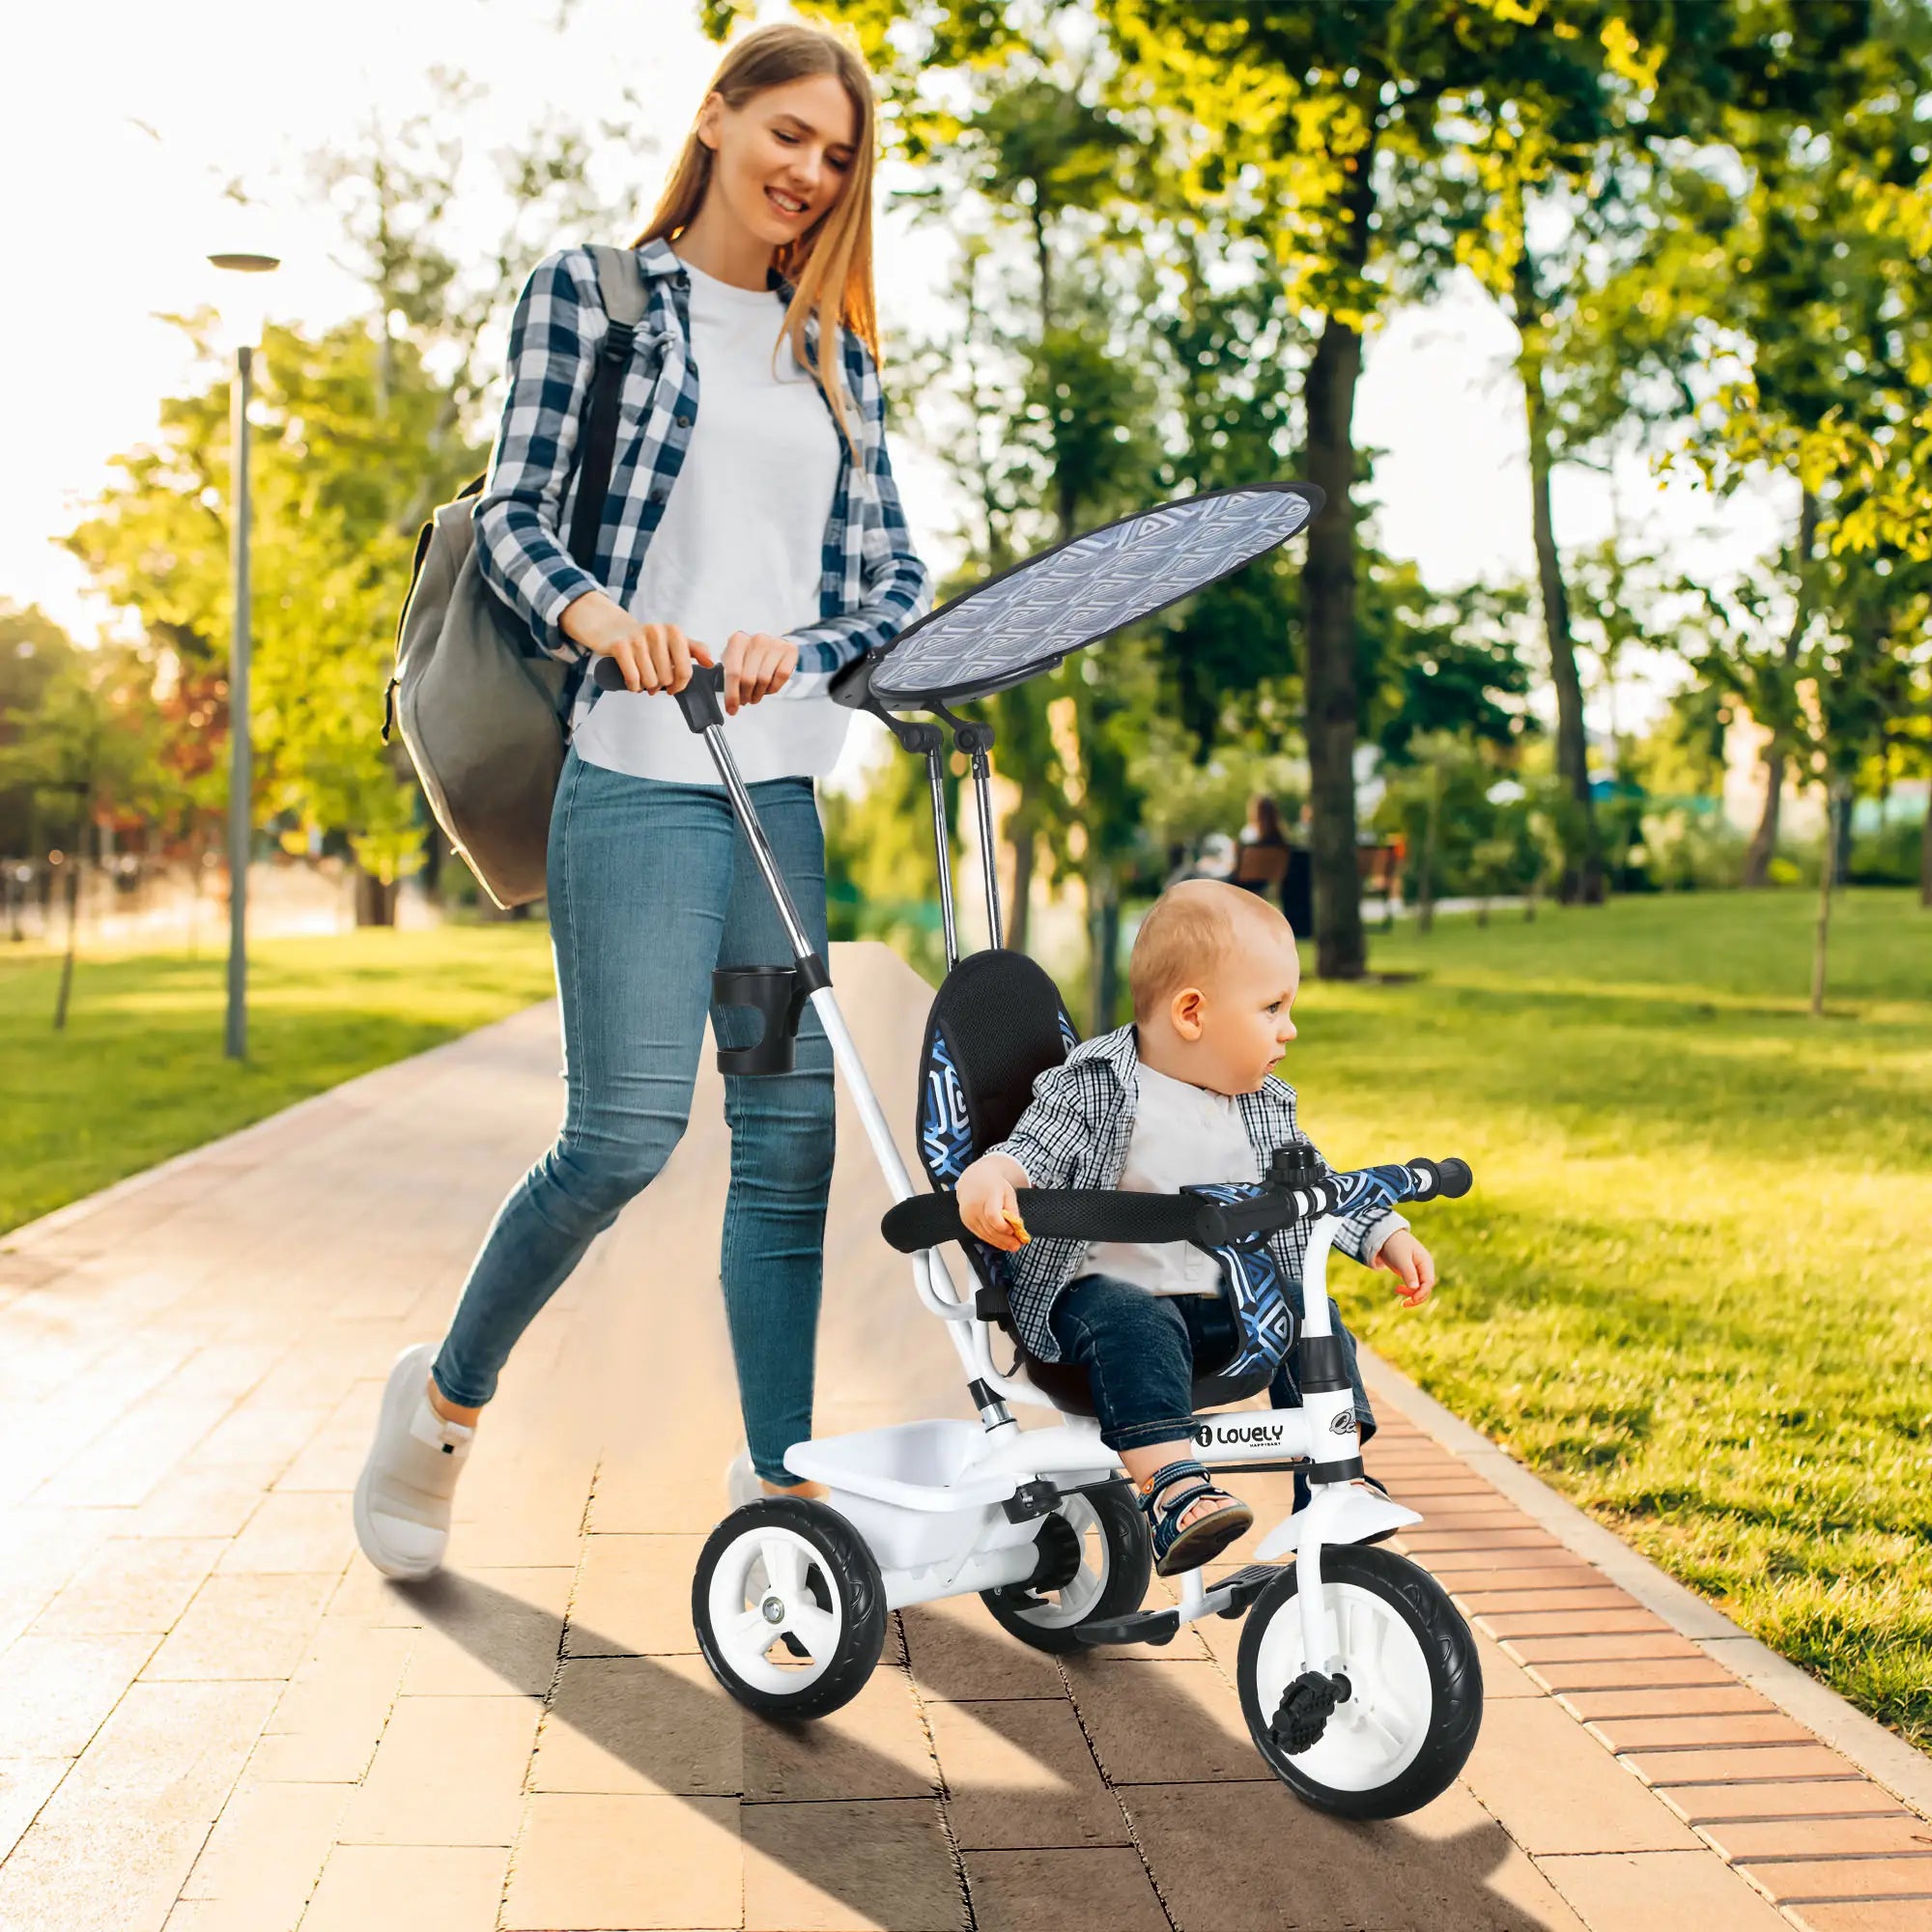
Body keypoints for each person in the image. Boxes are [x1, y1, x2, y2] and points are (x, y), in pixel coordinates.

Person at [354, 20, 930, 1580]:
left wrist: (807, 647)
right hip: (633, 779)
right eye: (789, 133)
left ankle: (780, 1478)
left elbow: (892, 579)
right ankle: (441, 1410)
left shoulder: (837, 357)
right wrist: (607, 619)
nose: (810, 172)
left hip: (775, 799)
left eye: (838, 155)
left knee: (788, 1144)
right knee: (619, 1137)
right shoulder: (595, 299)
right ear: (718, 116)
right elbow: (516, 513)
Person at [952, 880, 1435, 1576]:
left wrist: (1381, 1233)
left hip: (1227, 1309)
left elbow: (1315, 1185)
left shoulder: (1261, 1104)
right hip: (1101, 1311)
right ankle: (1173, 1490)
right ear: (1191, 1013)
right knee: (1134, 1318)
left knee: (1310, 1311)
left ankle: (1335, 1479)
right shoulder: (1095, 1086)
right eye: (1272, 1008)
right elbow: (1032, 1150)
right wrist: (990, 1178)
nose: (1290, 1029)